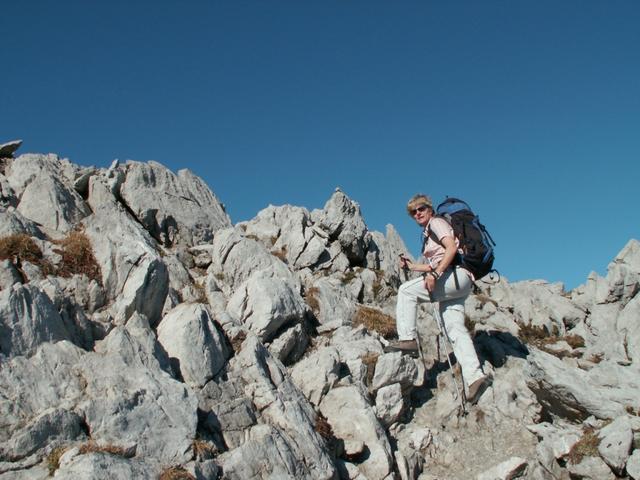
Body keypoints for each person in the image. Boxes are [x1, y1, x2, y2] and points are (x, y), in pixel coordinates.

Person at [385, 193, 491, 404]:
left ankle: (408, 339)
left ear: (430, 209)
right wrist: (413, 266)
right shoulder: (429, 232)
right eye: (413, 212)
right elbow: (438, 259)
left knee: (406, 291)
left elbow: (451, 248)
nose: (417, 213)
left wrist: (434, 274)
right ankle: (476, 378)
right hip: (460, 282)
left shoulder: (436, 223)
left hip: (454, 276)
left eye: (421, 208)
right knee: (454, 328)